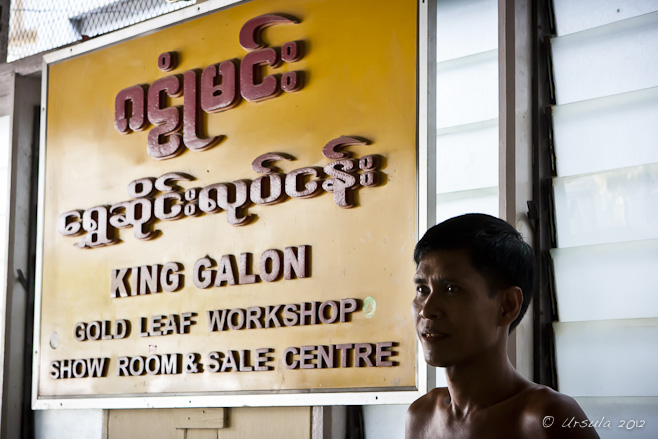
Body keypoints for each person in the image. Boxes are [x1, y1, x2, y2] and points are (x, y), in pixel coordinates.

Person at [406, 213, 599, 439]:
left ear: (507, 306)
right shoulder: (421, 416)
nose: (426, 310)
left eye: (452, 289)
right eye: (422, 290)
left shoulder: (546, 417)